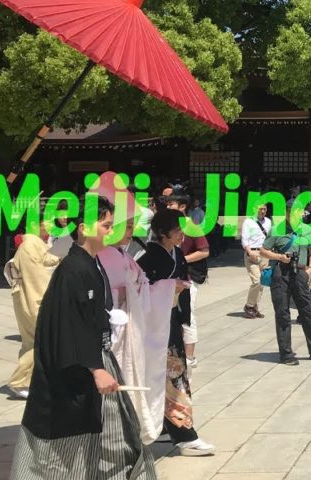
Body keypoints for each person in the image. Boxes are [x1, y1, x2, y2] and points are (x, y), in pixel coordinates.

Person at [9, 198, 159, 479]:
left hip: (95, 357)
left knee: (117, 431)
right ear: (83, 227)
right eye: (105, 225)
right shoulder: (72, 270)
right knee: (83, 441)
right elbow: (68, 325)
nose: (110, 230)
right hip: (81, 364)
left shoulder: (90, 264)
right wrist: (96, 368)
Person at [89, 172, 175, 446]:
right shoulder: (101, 256)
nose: (130, 233)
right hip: (115, 332)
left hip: (127, 327)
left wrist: (164, 288)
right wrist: (164, 290)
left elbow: (139, 287)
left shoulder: (120, 254)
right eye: (124, 227)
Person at [136, 209, 215, 456]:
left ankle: (163, 427)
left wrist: (183, 315)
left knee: (172, 375)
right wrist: (172, 287)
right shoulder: (148, 257)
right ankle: (185, 436)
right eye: (177, 231)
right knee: (173, 376)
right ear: (162, 233)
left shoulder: (178, 253)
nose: (182, 235)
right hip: (153, 326)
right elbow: (141, 291)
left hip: (171, 321)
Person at [259, 207, 311, 365]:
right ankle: (286, 354)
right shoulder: (277, 229)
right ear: (286, 213)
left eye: (298, 212)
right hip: (280, 272)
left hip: (299, 272)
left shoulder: (306, 229)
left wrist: (310, 269)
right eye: (291, 212)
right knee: (283, 313)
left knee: (308, 311)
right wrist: (279, 256)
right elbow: (263, 251)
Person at [9, 217, 62, 399]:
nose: (49, 228)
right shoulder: (30, 245)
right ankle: (19, 382)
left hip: (30, 297)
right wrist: (48, 300)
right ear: (36, 224)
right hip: (33, 298)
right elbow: (36, 279)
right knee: (37, 340)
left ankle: (29, 380)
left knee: (33, 341)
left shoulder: (35, 243)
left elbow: (47, 259)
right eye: (46, 224)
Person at [166, 193, 208, 368]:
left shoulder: (192, 226)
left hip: (188, 279)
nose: (168, 207)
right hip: (169, 279)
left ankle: (190, 357)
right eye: (167, 204)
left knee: (187, 316)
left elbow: (204, 251)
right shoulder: (166, 226)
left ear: (183, 207)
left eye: (172, 204)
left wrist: (181, 259)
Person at [241, 201, 271, 319]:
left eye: (264, 209)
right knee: (257, 281)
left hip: (264, 253)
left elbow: (269, 237)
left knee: (263, 282)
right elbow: (244, 239)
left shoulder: (268, 221)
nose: (262, 211)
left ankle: (255, 307)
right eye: (260, 209)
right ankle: (249, 306)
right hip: (252, 253)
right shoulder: (248, 222)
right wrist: (249, 252)